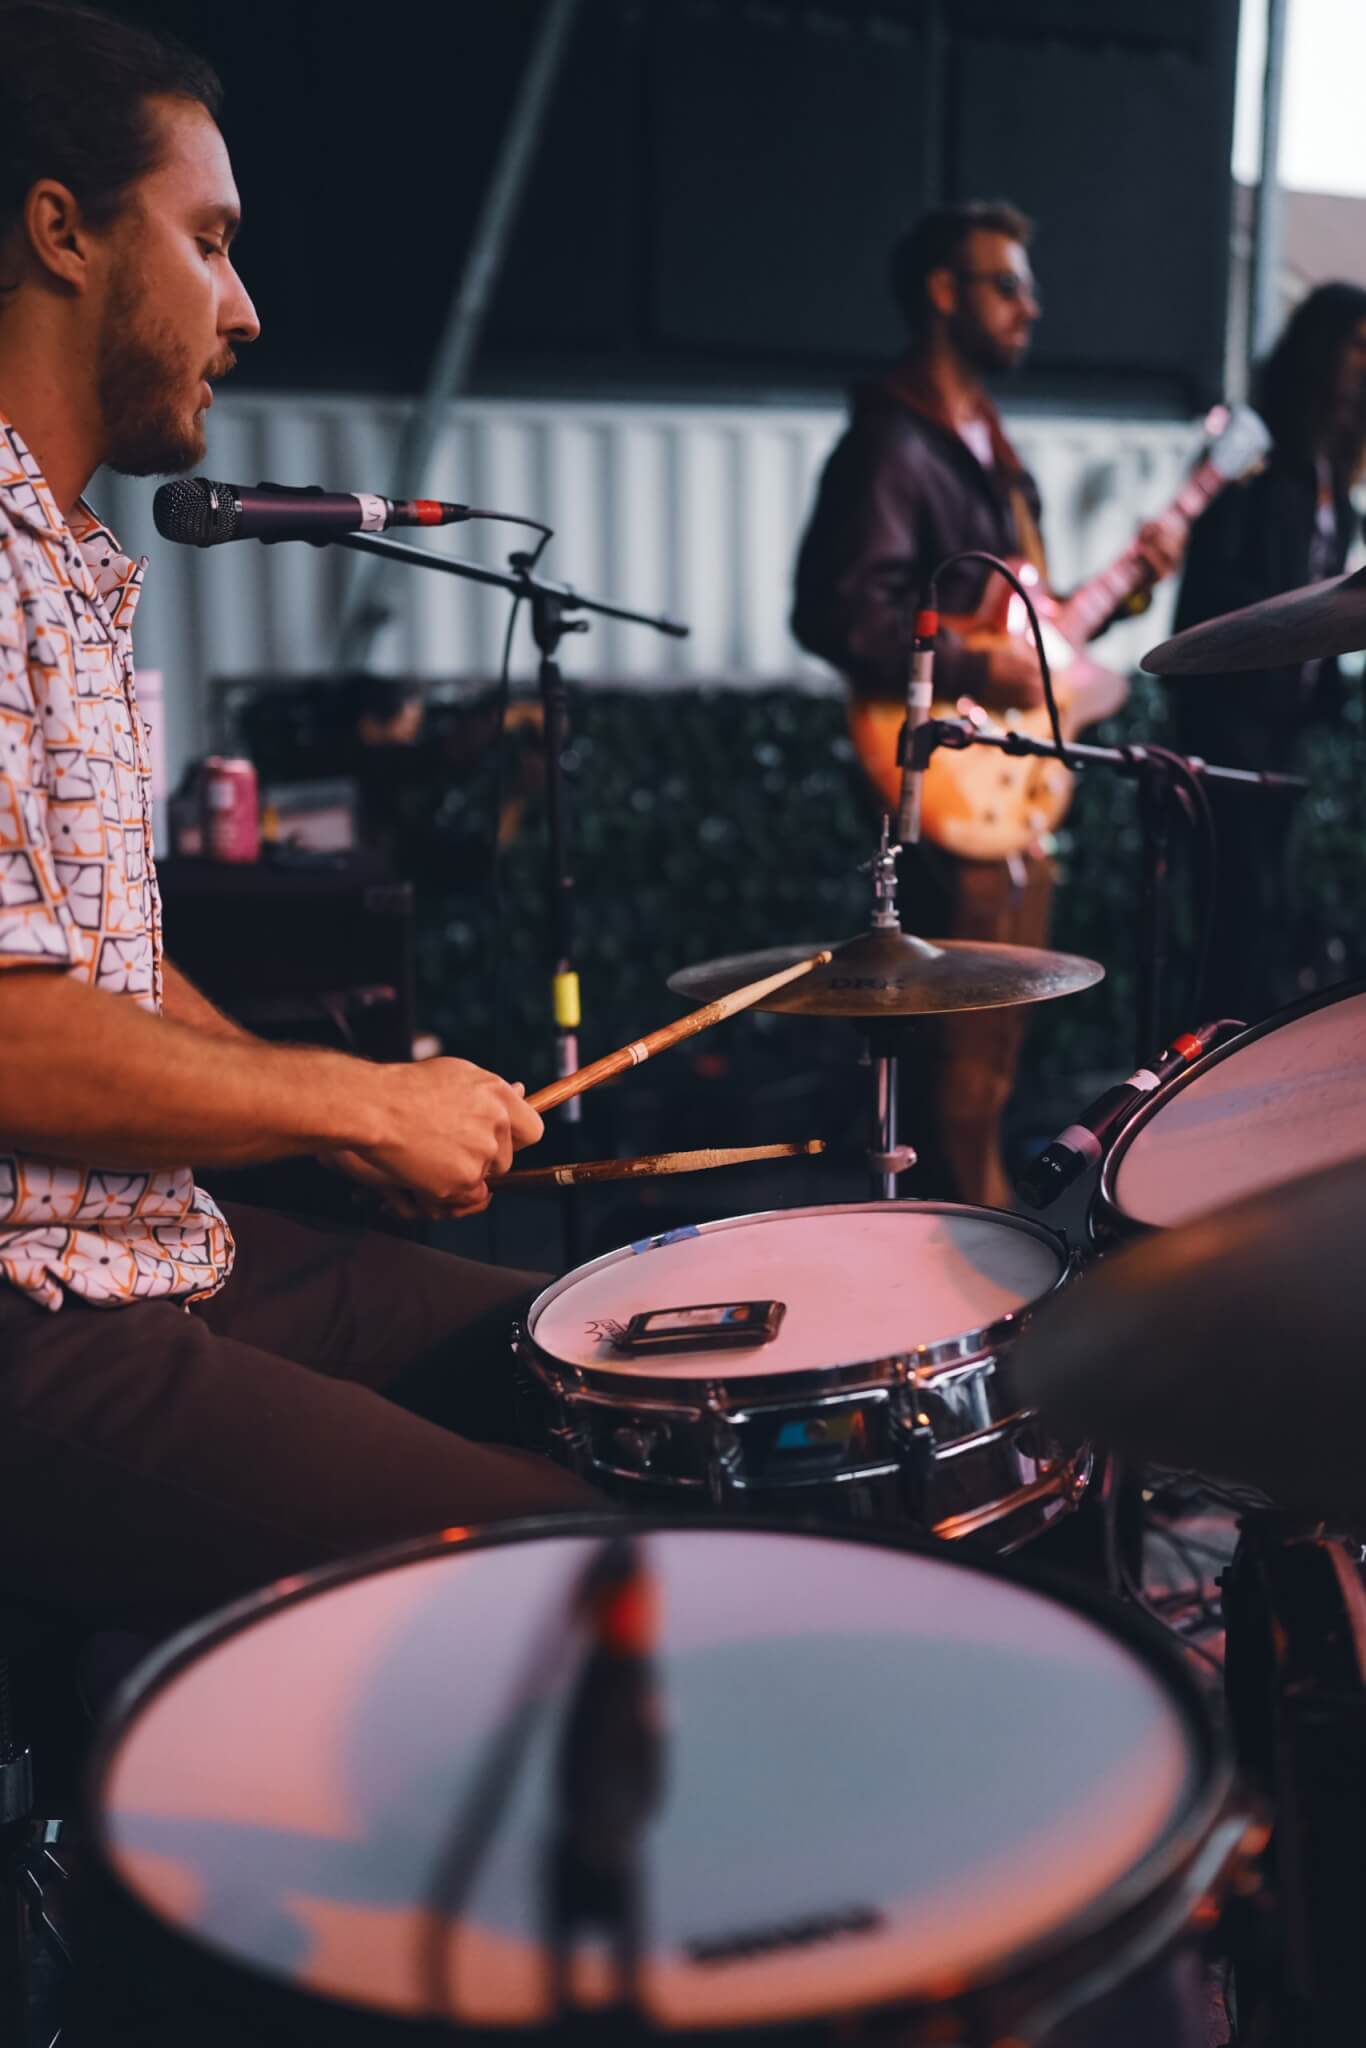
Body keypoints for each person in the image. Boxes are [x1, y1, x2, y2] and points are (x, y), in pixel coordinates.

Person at [0, 1, 598, 1636]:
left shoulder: (59, 554)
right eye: (208, 241)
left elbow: (101, 975)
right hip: (30, 1310)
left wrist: (340, 1122)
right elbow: (12, 1030)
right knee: (571, 1558)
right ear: (62, 231)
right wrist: (351, 1098)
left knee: (610, 1362)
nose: (246, 307)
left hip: (149, 1246)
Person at [792, 202, 1182, 1205]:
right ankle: (953, 1226)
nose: (1030, 308)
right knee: (954, 1041)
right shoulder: (892, 445)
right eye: (1007, 286)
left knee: (998, 1026)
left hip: (998, 770)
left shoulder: (991, 455)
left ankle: (976, 1209)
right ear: (942, 292)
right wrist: (975, 665)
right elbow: (835, 611)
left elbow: (1029, 625)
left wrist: (1128, 588)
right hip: (942, 768)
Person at [1168, 281, 1366, 1023]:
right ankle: (1213, 1056)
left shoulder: (1330, 474)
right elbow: (1209, 598)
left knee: (1270, 909)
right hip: (1231, 726)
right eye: (1358, 345)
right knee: (1234, 915)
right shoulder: (1257, 461)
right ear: (1321, 351)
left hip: (1288, 731)